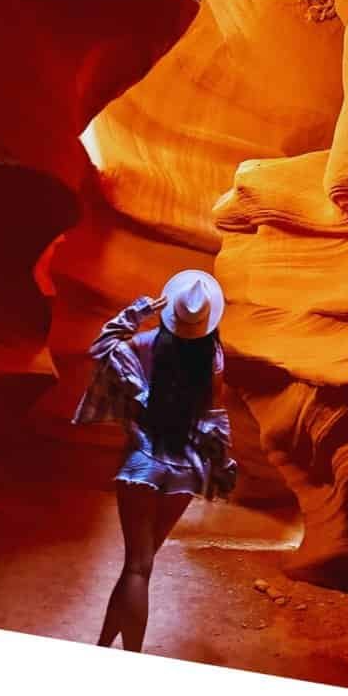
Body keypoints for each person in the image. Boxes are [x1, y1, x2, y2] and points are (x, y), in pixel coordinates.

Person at [72, 269, 238, 651]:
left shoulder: (144, 345)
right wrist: (222, 462)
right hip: (184, 471)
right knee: (140, 567)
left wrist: (138, 310)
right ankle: (102, 645)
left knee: (136, 567)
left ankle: (129, 656)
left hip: (142, 463)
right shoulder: (213, 357)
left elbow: (102, 346)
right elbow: (214, 415)